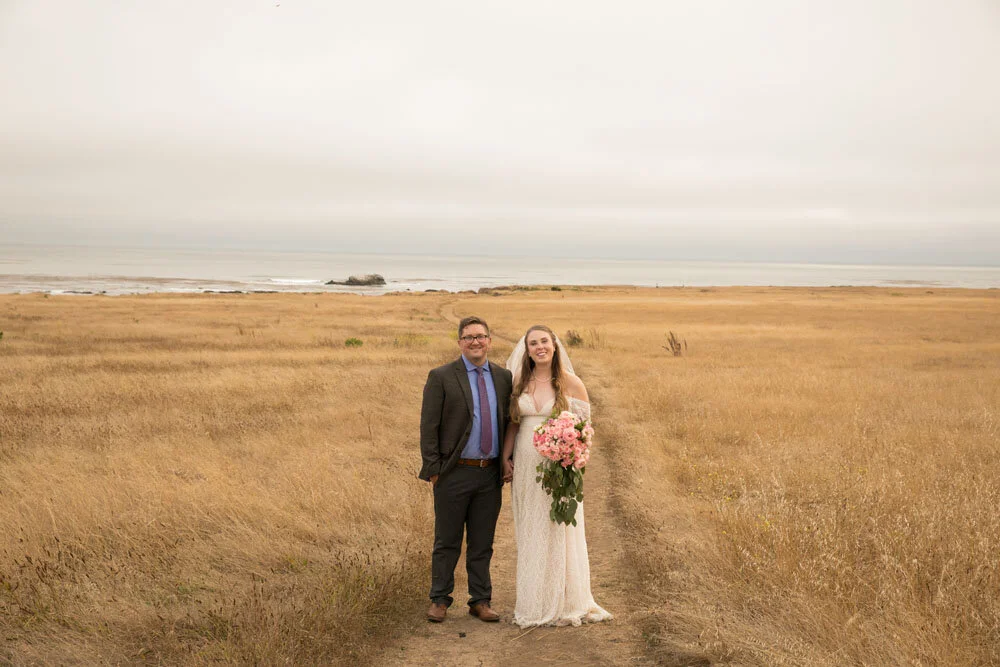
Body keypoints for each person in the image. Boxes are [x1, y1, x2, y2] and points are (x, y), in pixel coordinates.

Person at [501, 324, 613, 628]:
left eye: (544, 341)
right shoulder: (519, 381)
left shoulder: (571, 383)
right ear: (527, 350)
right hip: (526, 464)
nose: (539, 347)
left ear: (554, 345)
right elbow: (513, 423)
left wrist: (568, 454)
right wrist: (505, 458)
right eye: (533, 343)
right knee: (531, 527)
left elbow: (584, 431)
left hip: (558, 466)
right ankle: (534, 599)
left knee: (558, 527)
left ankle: (565, 599)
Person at [419, 316, 513, 624]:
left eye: (481, 336)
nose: (475, 341)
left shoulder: (503, 377)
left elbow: (509, 422)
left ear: (489, 341)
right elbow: (429, 426)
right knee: (446, 540)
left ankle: (480, 601)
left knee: (482, 541)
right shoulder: (442, 376)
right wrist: (434, 471)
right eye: (469, 337)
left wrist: (508, 461)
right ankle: (440, 599)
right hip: (453, 472)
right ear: (460, 342)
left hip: (489, 474)